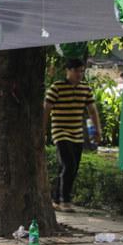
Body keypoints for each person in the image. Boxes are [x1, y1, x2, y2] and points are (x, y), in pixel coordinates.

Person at [44, 59, 101, 212]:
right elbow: (46, 110)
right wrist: (42, 131)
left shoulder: (85, 89)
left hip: (77, 133)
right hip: (60, 132)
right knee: (69, 165)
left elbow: (92, 111)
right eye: (76, 71)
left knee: (70, 168)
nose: (79, 74)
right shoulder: (56, 87)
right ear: (67, 71)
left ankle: (55, 199)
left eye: (82, 71)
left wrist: (97, 131)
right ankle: (65, 201)